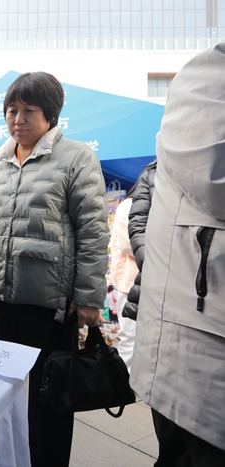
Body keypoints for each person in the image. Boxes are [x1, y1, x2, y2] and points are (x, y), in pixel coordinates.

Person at [0, 72, 109, 467]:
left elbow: (93, 230)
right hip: (0, 303)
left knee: (48, 404)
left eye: (28, 111)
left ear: (50, 114)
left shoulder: (76, 157)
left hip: (49, 309)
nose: (17, 119)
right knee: (2, 395)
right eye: (11, 110)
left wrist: (88, 297)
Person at [131, 43, 225, 466]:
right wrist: (147, 260)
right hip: (194, 337)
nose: (18, 119)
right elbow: (137, 225)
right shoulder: (212, 72)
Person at [121, 159, 157, 322]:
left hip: (145, 275)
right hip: (134, 279)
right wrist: (151, 261)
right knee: (130, 333)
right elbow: (129, 238)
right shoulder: (126, 205)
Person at [109, 187, 139, 372]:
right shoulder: (128, 205)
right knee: (130, 337)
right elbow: (128, 243)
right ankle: (125, 383)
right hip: (130, 286)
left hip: (150, 284)